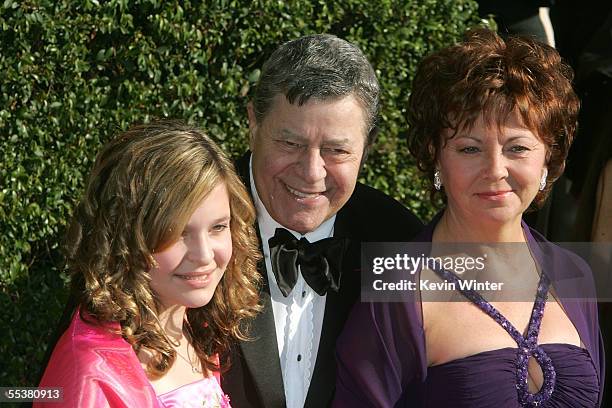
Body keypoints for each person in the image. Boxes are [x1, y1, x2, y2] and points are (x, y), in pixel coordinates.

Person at [333, 28, 604, 407]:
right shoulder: (395, 290)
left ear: (549, 156)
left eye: (518, 147)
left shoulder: (575, 275)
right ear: (435, 156)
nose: (495, 169)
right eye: (469, 148)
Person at [220, 34, 423, 408]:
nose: (312, 173)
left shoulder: (398, 240)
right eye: (290, 143)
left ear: (368, 146)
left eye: (336, 150)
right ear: (253, 122)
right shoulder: (187, 219)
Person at [36, 122, 261, 407]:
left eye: (218, 227)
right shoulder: (91, 373)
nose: (204, 255)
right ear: (127, 236)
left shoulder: (197, 326)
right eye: (179, 233)